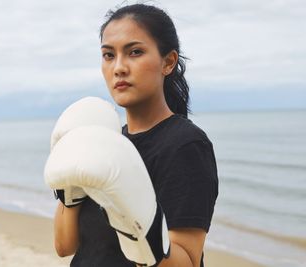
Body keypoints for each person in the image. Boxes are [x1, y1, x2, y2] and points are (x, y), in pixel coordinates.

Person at [53, 3, 219, 267]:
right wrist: (68, 193)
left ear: (168, 62)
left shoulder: (186, 145)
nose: (119, 67)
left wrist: (142, 227)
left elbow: (188, 260)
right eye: (109, 55)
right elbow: (65, 246)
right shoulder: (104, 144)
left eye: (135, 52)